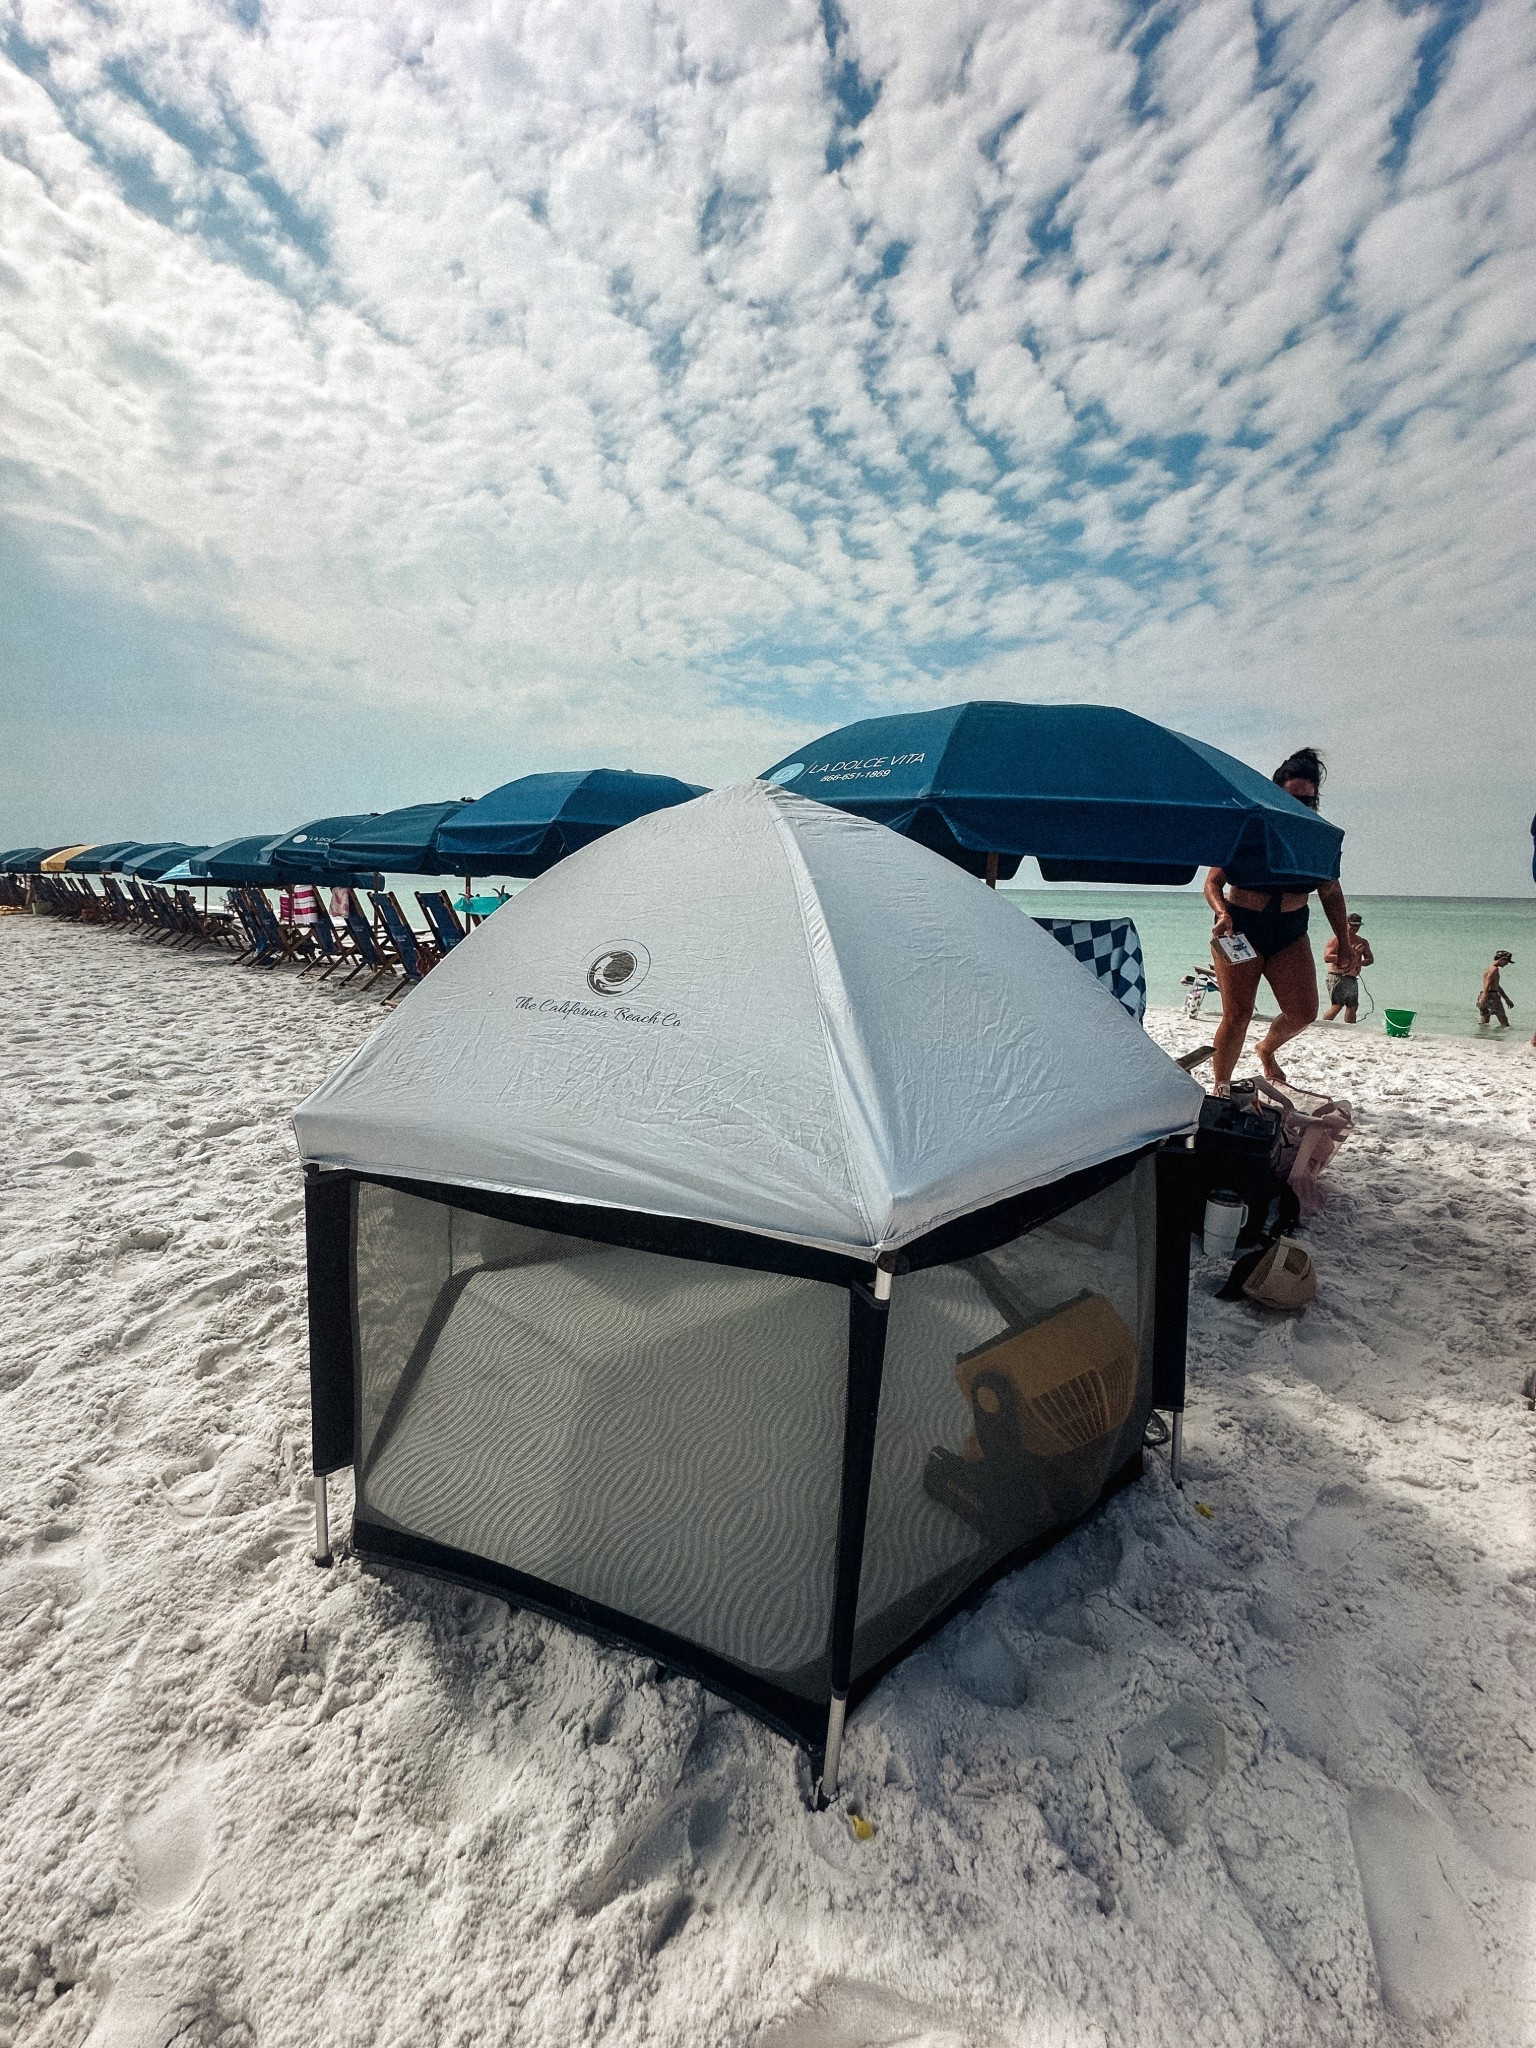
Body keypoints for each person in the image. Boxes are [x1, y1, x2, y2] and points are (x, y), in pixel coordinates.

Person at [1203, 746, 1355, 1093]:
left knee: (1303, 1011)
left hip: (1290, 929)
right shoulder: (1249, 828)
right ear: (1274, 792)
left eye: (1308, 802)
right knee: (1238, 1013)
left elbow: (1329, 892)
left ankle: (1266, 1049)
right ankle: (1221, 1086)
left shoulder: (1320, 837)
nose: (1300, 808)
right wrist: (1222, 912)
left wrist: (1344, 941)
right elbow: (1213, 882)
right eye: (1291, 799)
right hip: (1239, 927)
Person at [1323, 912, 1373, 1022]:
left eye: (1358, 926)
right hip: (1337, 976)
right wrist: (1349, 956)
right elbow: (1327, 957)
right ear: (1346, 924)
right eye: (1353, 925)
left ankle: (1350, 1028)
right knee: (1337, 1005)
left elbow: (1370, 959)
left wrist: (1358, 962)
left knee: (1352, 1006)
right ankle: (1322, 1025)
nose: (1355, 928)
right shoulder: (1337, 939)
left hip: (1351, 978)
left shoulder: (1362, 941)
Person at [1477, 951, 1514, 1028]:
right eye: (1507, 961)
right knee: (1504, 1023)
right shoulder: (1494, 969)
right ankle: (1502, 1038)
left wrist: (1506, 999)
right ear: (1502, 959)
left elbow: (1496, 986)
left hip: (1484, 995)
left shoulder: (1489, 968)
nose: (1507, 964)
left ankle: (1481, 1037)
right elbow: (1487, 982)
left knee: (1484, 1022)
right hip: (1492, 997)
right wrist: (1484, 996)